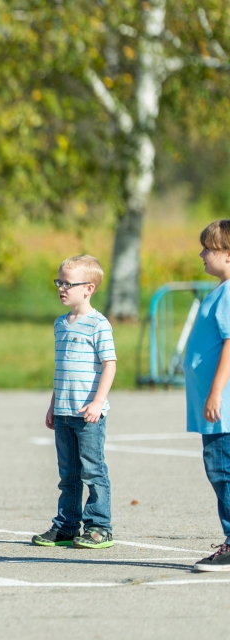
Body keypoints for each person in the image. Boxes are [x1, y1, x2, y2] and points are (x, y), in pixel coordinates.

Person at [31, 255, 117, 550]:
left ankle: (99, 526)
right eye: (59, 282)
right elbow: (62, 370)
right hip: (65, 411)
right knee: (68, 474)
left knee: (93, 470)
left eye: (68, 283)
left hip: (88, 414)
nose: (62, 288)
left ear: (88, 288)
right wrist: (53, 405)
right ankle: (66, 526)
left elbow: (110, 365)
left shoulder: (98, 324)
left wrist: (97, 402)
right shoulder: (60, 324)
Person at [183, 220, 230, 571]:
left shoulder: (229, 294)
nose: (202, 254)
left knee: (222, 471)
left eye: (209, 249)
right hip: (214, 409)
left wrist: (215, 392)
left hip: (222, 408)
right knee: (220, 471)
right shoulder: (218, 291)